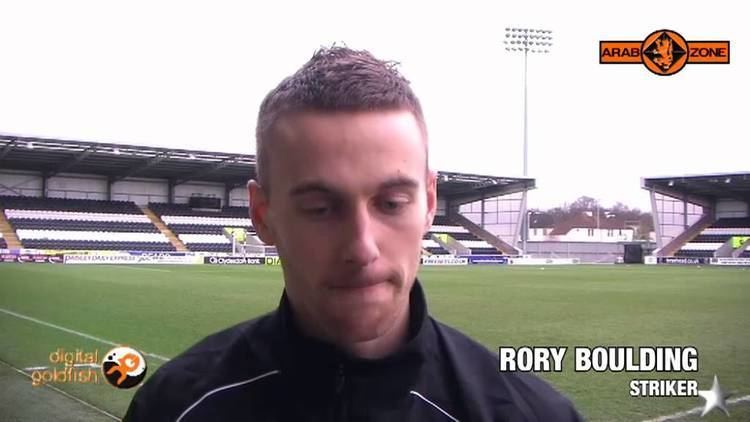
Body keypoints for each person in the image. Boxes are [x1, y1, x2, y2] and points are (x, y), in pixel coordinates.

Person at [124, 46, 582, 421]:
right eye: (321, 209)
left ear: (427, 203)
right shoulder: (173, 409)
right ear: (263, 215)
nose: (362, 247)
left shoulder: (534, 415)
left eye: (391, 203)